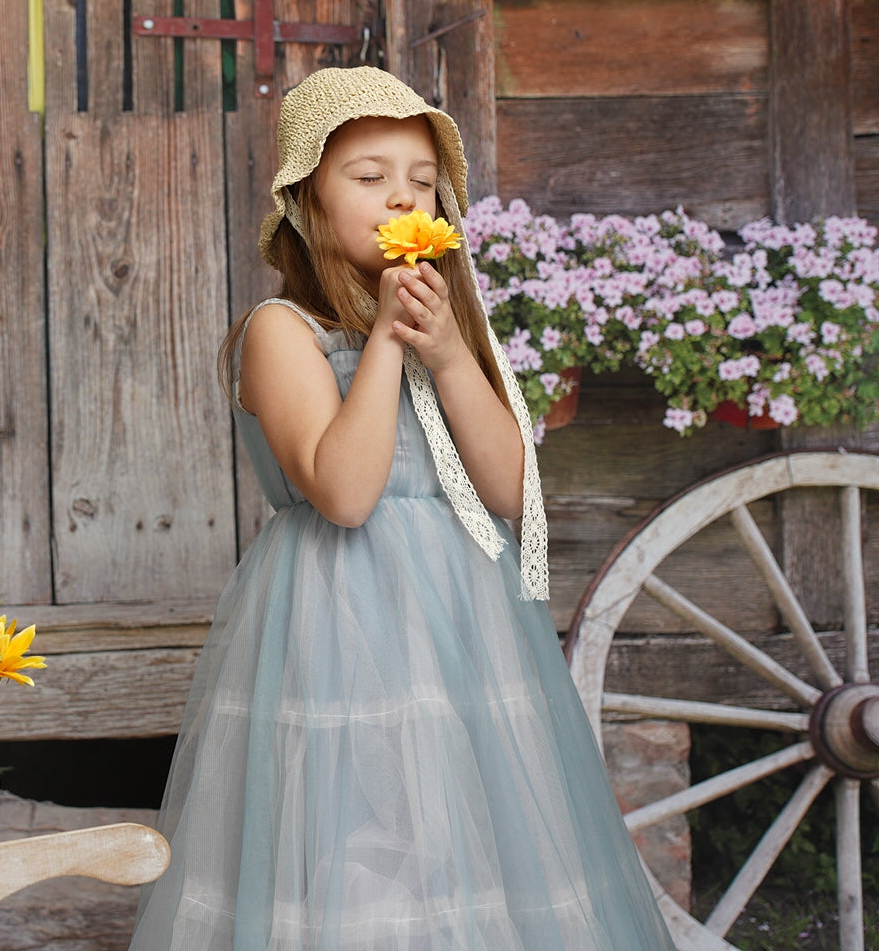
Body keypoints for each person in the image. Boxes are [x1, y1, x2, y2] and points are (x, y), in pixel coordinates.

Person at [126, 67, 677, 951]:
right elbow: (344, 494)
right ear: (308, 199)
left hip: (466, 613)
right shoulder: (282, 330)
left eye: (422, 181)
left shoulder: (448, 328)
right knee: (357, 832)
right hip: (340, 615)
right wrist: (385, 339)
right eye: (370, 175)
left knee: (470, 835)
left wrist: (453, 355)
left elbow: (513, 493)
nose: (401, 196)